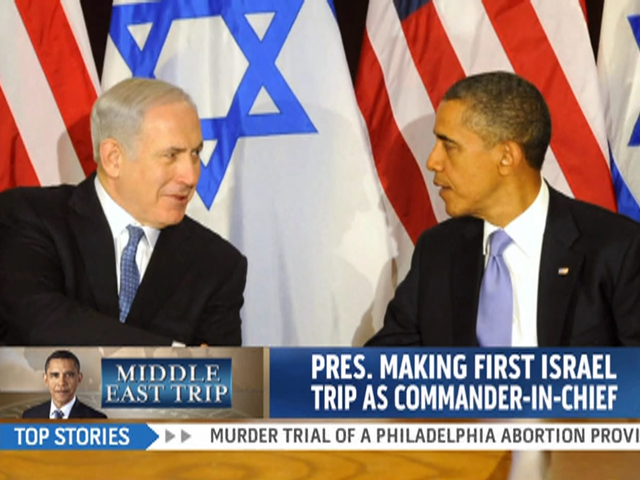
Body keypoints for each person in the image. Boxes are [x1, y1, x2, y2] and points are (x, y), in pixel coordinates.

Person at [367, 70, 640, 348]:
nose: (432, 161)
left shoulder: (616, 249)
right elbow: (385, 363)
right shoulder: (438, 251)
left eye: (449, 146)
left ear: (507, 157)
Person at [0, 78, 247, 346]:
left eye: (195, 153)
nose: (190, 176)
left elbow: (223, 371)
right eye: (171, 155)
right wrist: (177, 357)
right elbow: (40, 322)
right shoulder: (29, 216)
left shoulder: (217, 265)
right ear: (113, 158)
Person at [22, 350, 106, 419]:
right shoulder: (29, 417)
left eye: (68, 375)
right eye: (55, 375)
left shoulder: (97, 420)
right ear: (46, 379)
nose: (61, 382)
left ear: (79, 379)